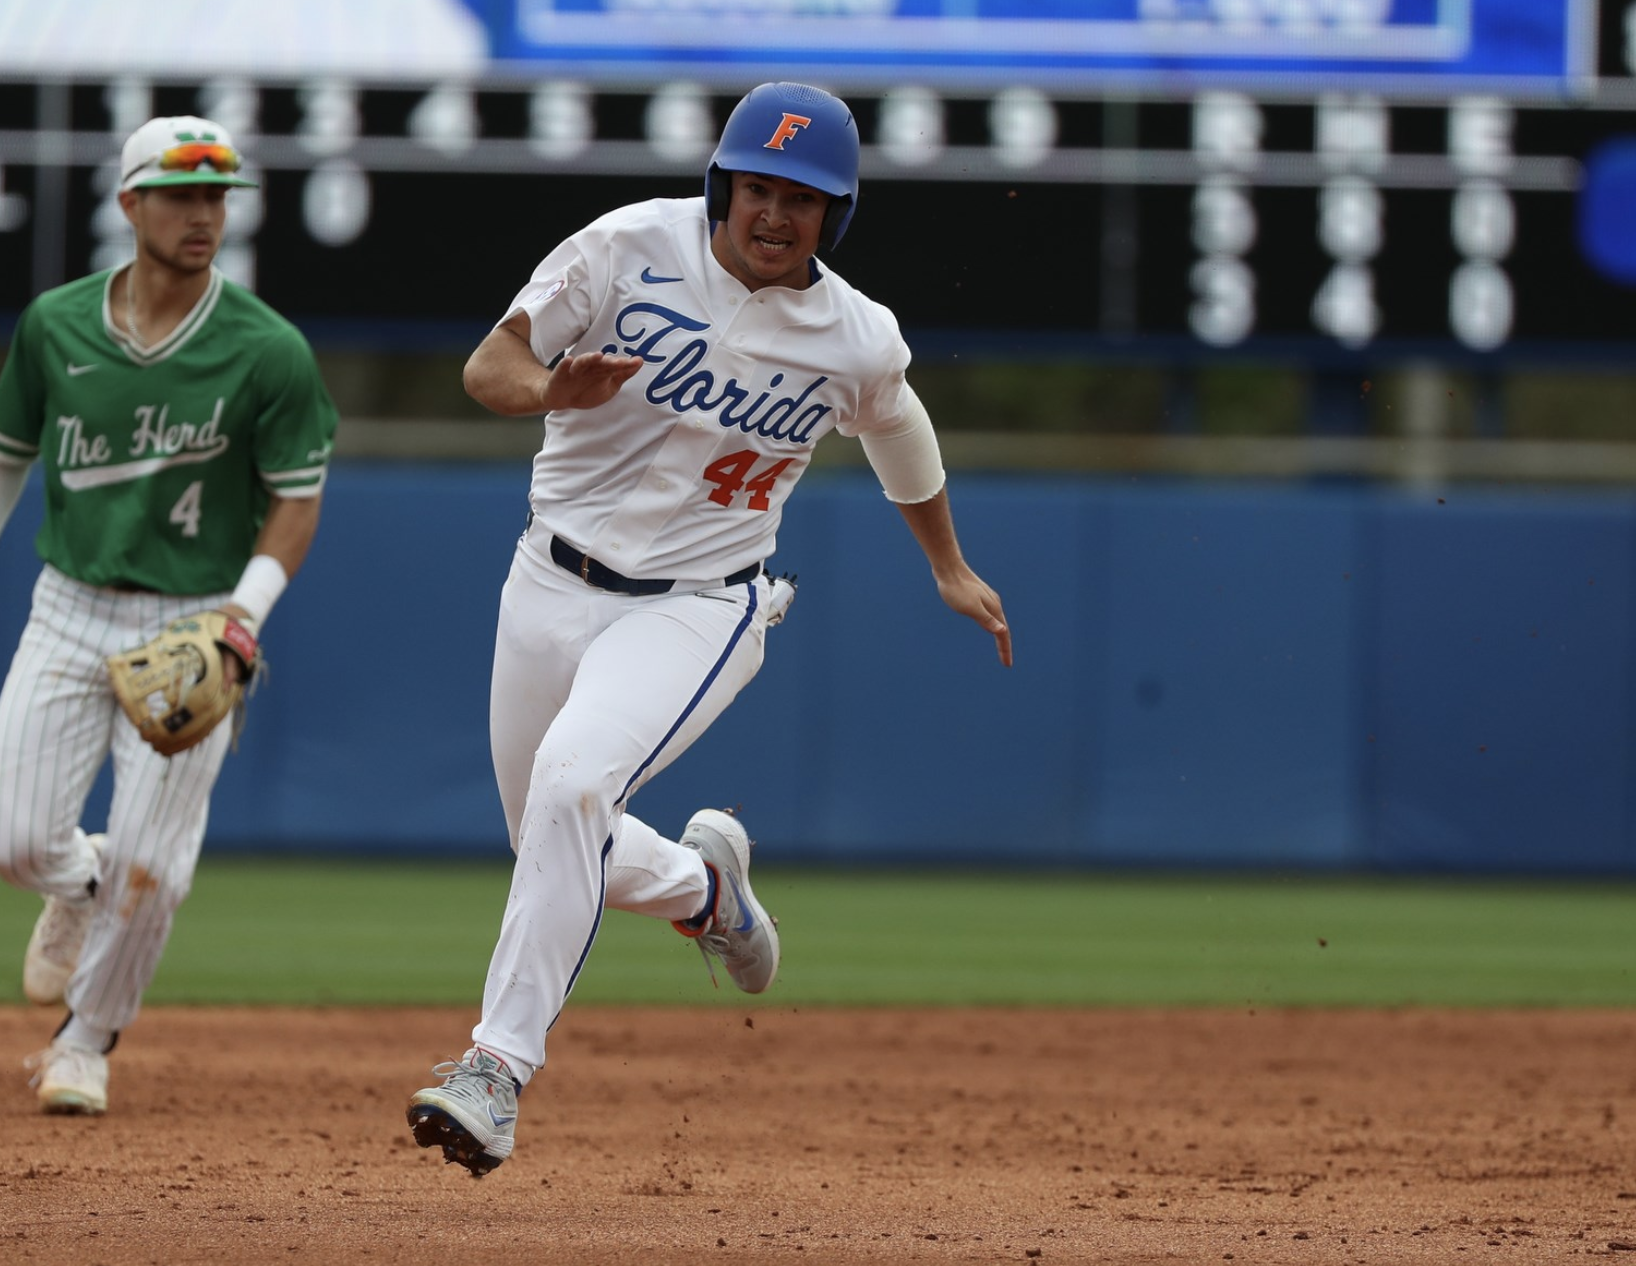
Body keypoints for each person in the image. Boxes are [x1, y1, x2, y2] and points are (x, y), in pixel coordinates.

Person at [406, 80, 1011, 1179]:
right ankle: (706, 893)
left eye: (804, 197)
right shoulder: (625, 246)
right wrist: (552, 389)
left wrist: (948, 564)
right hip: (548, 582)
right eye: (757, 186)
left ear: (839, 213)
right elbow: (487, 368)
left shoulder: (855, 336)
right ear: (722, 183)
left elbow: (900, 428)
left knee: (573, 788)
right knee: (553, 838)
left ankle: (494, 1070)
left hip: (701, 603)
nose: (773, 213)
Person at [0, 116, 339, 1114]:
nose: (204, 213)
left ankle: (86, 1043)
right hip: (70, 605)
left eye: (217, 194)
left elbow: (298, 498)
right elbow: (10, 452)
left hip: (196, 617)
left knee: (160, 866)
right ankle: (79, 878)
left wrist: (245, 615)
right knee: (16, 840)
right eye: (183, 193)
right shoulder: (55, 325)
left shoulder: (266, 349)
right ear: (130, 204)